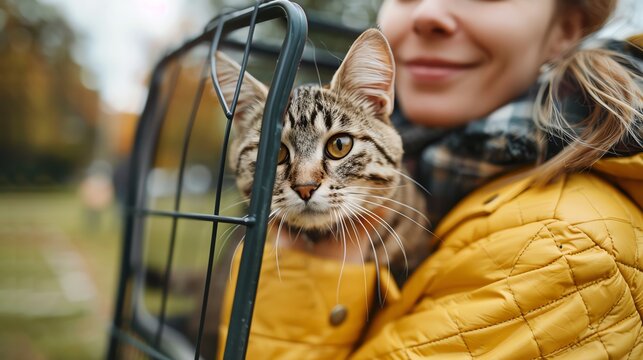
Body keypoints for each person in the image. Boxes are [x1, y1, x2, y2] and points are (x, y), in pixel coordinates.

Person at [218, 0, 643, 358]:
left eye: (337, 147)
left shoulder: (564, 250)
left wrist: (312, 271)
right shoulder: (434, 161)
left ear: (566, 27)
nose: (305, 181)